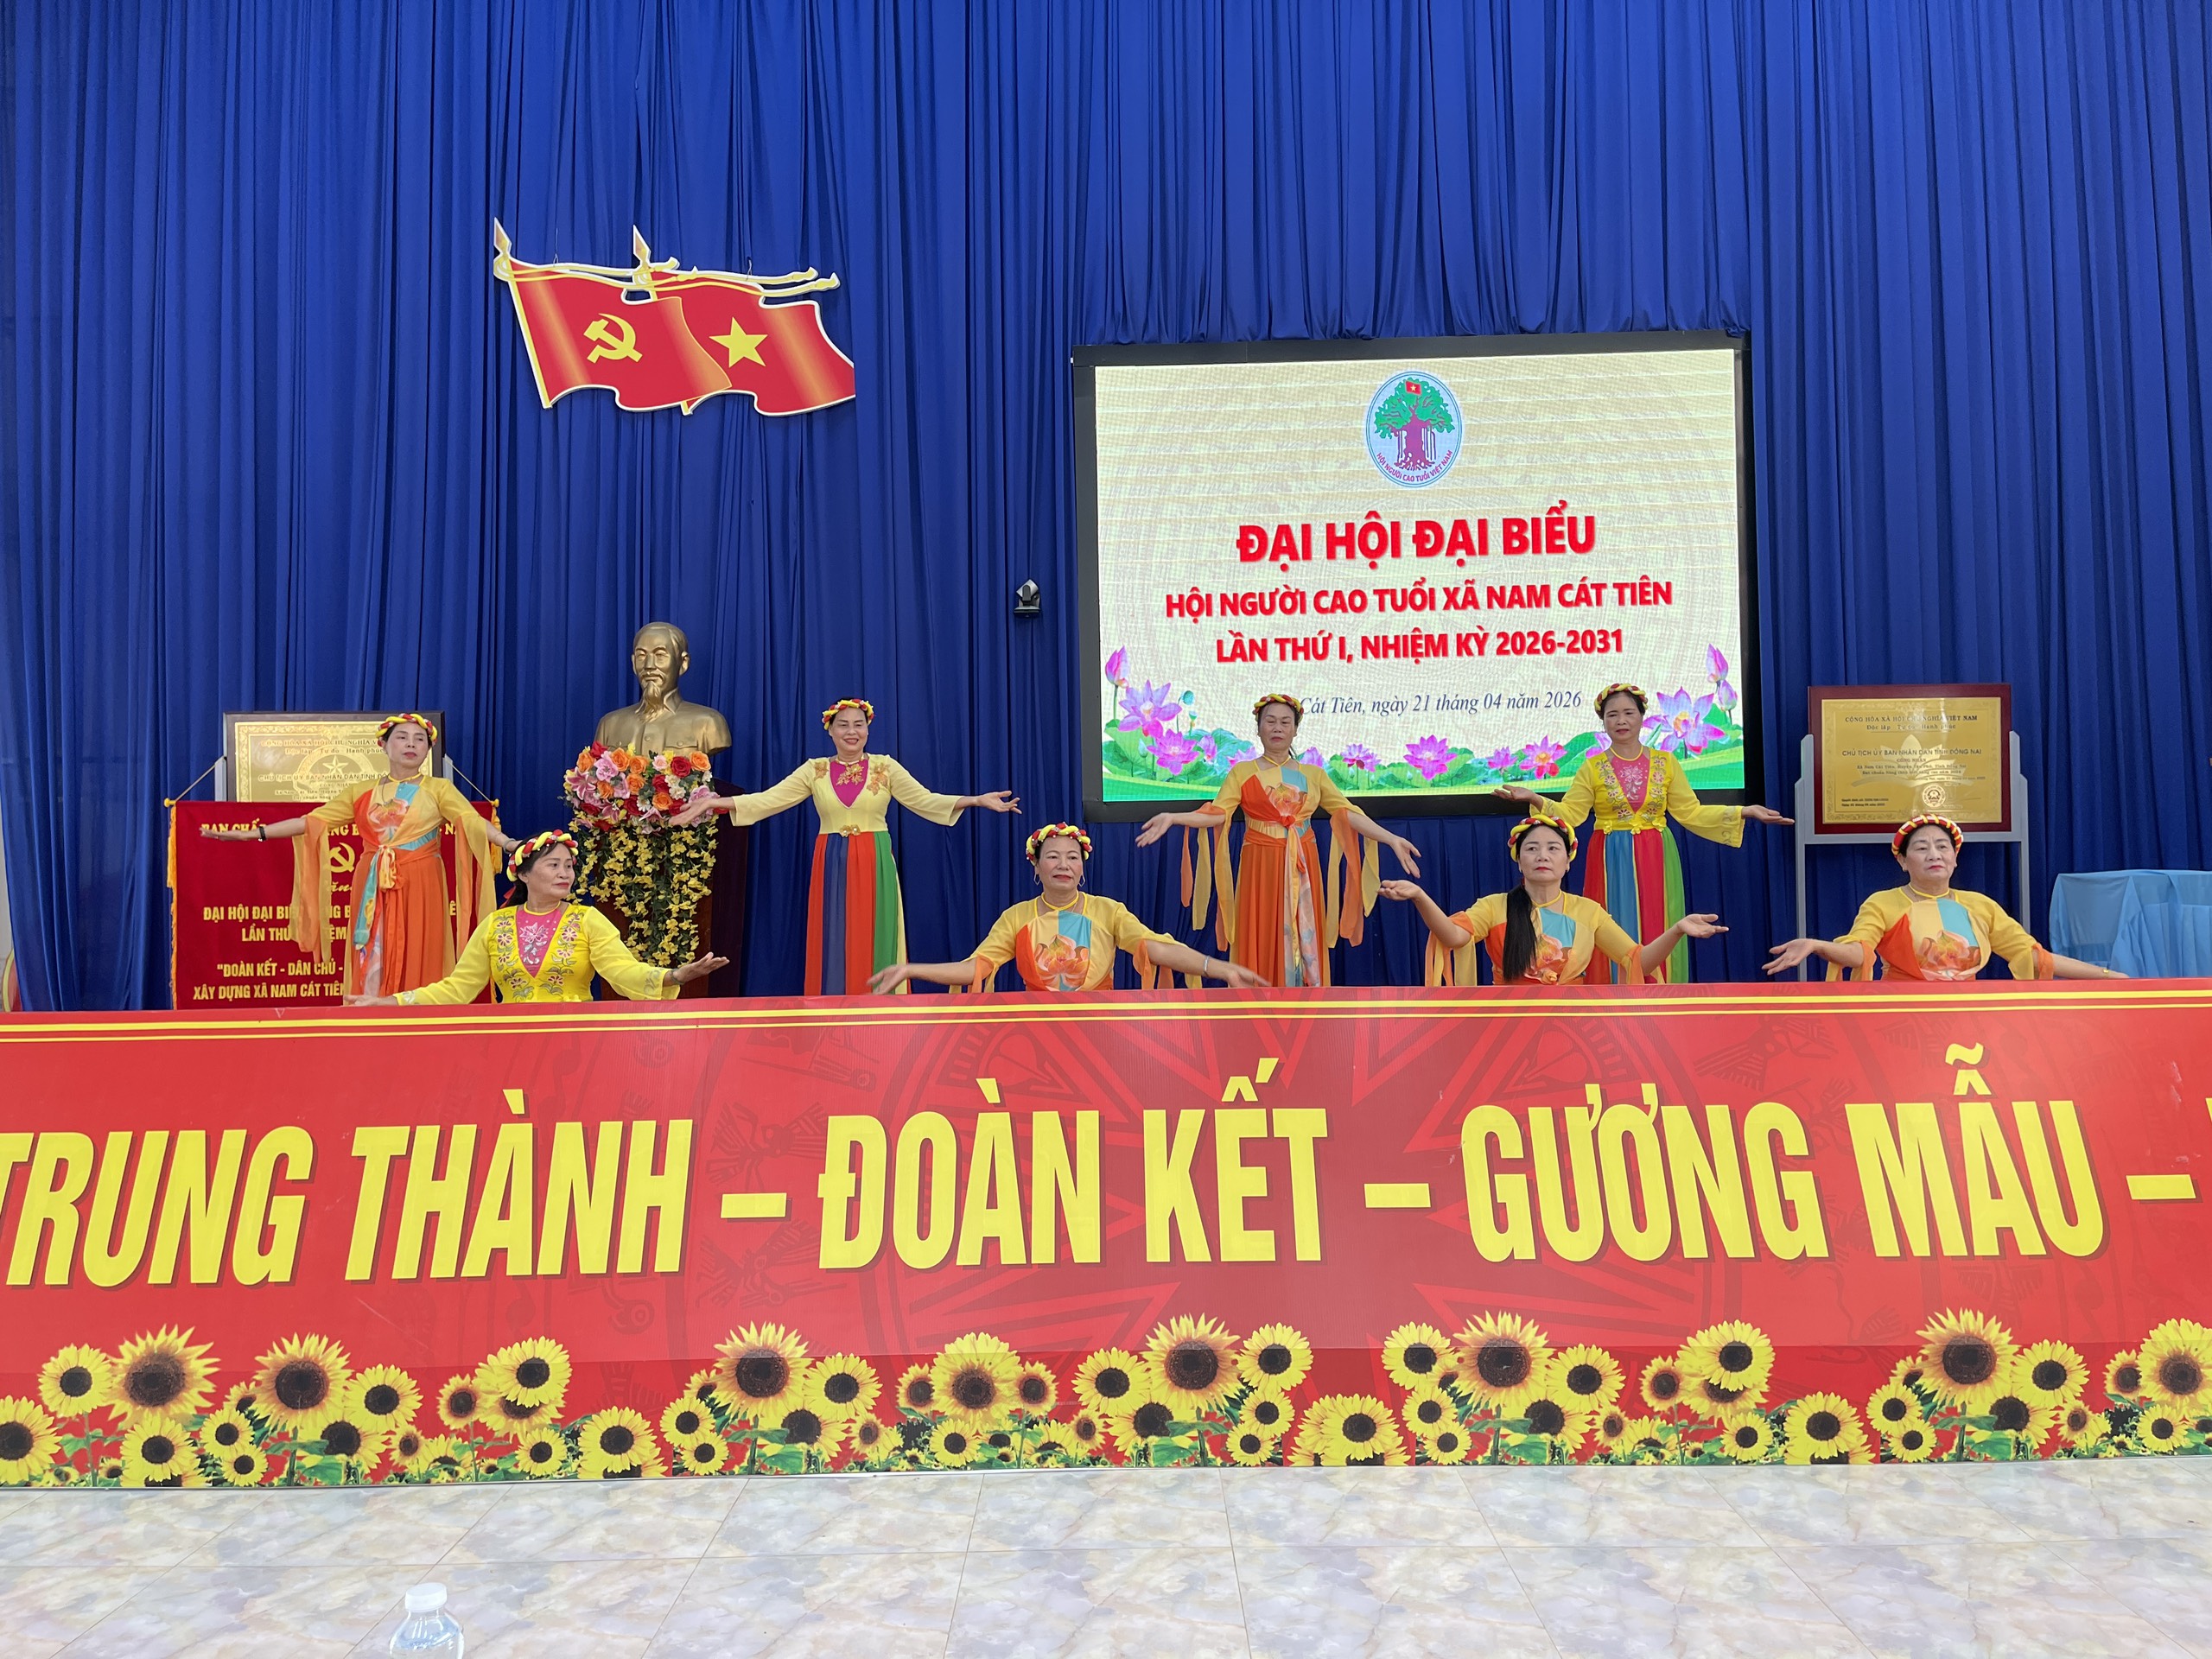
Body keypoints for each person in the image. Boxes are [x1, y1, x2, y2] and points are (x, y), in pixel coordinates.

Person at [676, 699, 1019, 995]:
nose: (851, 731)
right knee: (833, 939)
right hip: (831, 861)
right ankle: (834, 1011)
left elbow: (925, 800)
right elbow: (768, 800)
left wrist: (975, 800)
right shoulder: (815, 770)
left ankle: (882, 1007)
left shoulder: (885, 767)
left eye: (859, 724)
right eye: (843, 725)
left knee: (878, 933)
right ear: (830, 730)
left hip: (874, 859)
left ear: (868, 729)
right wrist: (714, 803)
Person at [199, 713, 514, 998]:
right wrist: (255, 833)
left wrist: (506, 842)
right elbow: (312, 822)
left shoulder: (439, 788)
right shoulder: (361, 791)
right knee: (373, 948)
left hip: (420, 881)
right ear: (383, 745)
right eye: (402, 737)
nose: (411, 744)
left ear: (428, 750)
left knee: (420, 946)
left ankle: (415, 1018)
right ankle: (370, 1012)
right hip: (372, 883)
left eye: (420, 739)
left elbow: (470, 821)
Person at [1494, 683, 1789, 982]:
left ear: (1642, 717)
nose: (1621, 721)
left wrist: (1743, 811)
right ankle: (1611, 992)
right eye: (1612, 715)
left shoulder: (1666, 762)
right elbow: (1572, 814)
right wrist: (1535, 798)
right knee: (1612, 923)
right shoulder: (1592, 767)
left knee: (1658, 917)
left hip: (1656, 853)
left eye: (1628, 713)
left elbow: (1690, 812)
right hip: (1610, 856)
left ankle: (1660, 991)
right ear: (1603, 722)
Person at [1132, 695, 1421, 988]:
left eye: (1285, 722)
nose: (1277, 728)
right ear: (1258, 728)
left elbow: (1347, 814)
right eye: (1270, 721)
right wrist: (1174, 817)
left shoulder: (1314, 775)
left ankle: (1305, 1000)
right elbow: (1217, 814)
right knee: (1262, 929)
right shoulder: (1243, 772)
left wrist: (1391, 839)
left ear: (1295, 729)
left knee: (1304, 931)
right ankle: (1259, 999)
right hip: (1261, 865)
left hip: (1303, 864)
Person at [869, 823, 1270, 993]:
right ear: (1036, 867)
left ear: (1082, 868)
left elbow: (1158, 949)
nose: (1063, 864)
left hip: (1100, 1027)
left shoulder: (1107, 911)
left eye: (1072, 858)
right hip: (1037, 1033)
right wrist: (911, 969)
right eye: (1053, 856)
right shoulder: (1017, 918)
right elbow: (974, 969)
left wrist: (1220, 968)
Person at [349, 831, 726, 1005]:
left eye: (569, 866)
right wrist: (392, 1003)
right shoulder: (496, 925)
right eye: (553, 865)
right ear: (524, 875)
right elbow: (458, 989)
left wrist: (674, 976)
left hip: (575, 1041)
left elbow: (622, 973)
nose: (565, 874)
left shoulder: (587, 919)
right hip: (511, 1041)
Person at [1765, 816, 2123, 982]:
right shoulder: (1883, 903)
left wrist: (2108, 977)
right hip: (1901, 1016)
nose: (1934, 854)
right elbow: (1860, 953)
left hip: (1967, 1016)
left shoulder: (1980, 906)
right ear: (1903, 861)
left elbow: (2032, 957)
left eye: (1942, 847)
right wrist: (1817, 945)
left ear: (1955, 858)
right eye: (1921, 848)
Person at [1382, 813, 1725, 986]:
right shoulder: (1494, 906)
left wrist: (1677, 930)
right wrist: (1420, 897)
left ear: (1567, 861)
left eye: (1552, 849)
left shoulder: (1588, 912)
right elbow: (1453, 936)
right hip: (1506, 1023)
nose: (1542, 856)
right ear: (1519, 862)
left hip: (1572, 1024)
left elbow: (1637, 961)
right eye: (1532, 849)